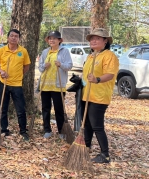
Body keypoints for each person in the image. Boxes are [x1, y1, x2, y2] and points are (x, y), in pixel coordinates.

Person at [81, 28, 119, 164]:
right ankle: (86, 147)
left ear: (105, 41)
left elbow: (110, 74)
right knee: (87, 124)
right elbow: (86, 75)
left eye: (97, 38)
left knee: (97, 125)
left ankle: (105, 154)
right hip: (88, 95)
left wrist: (97, 79)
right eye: (92, 39)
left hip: (100, 96)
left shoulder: (109, 56)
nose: (93, 41)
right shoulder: (91, 56)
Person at [0, 29, 31, 141]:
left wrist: (19, 75)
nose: (13, 38)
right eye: (11, 36)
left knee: (20, 109)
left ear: (19, 38)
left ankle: (23, 131)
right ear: (8, 38)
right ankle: (4, 130)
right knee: (3, 108)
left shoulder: (23, 51)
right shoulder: (1, 50)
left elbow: (26, 66)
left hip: (17, 84)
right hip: (3, 83)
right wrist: (1, 71)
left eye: (16, 36)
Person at [38, 30, 73, 139]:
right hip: (45, 85)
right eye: (50, 38)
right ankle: (47, 129)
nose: (51, 40)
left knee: (59, 109)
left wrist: (61, 64)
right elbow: (40, 67)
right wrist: (44, 65)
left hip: (58, 85)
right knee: (45, 108)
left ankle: (61, 130)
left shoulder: (64, 51)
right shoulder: (45, 52)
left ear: (59, 40)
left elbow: (69, 66)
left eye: (54, 38)